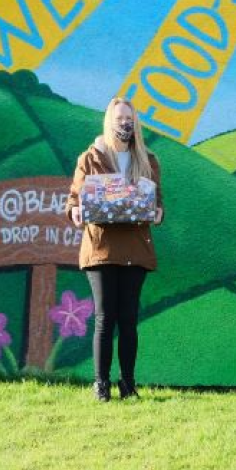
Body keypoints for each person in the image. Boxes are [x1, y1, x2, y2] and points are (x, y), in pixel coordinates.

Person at [66, 97, 164, 401]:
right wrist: (76, 212)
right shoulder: (90, 158)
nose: (124, 123)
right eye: (119, 118)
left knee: (129, 318)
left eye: (129, 118)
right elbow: (73, 200)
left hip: (136, 248)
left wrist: (158, 212)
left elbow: (157, 201)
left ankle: (128, 384)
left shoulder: (148, 160)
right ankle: (101, 384)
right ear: (108, 121)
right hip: (101, 248)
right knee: (105, 317)